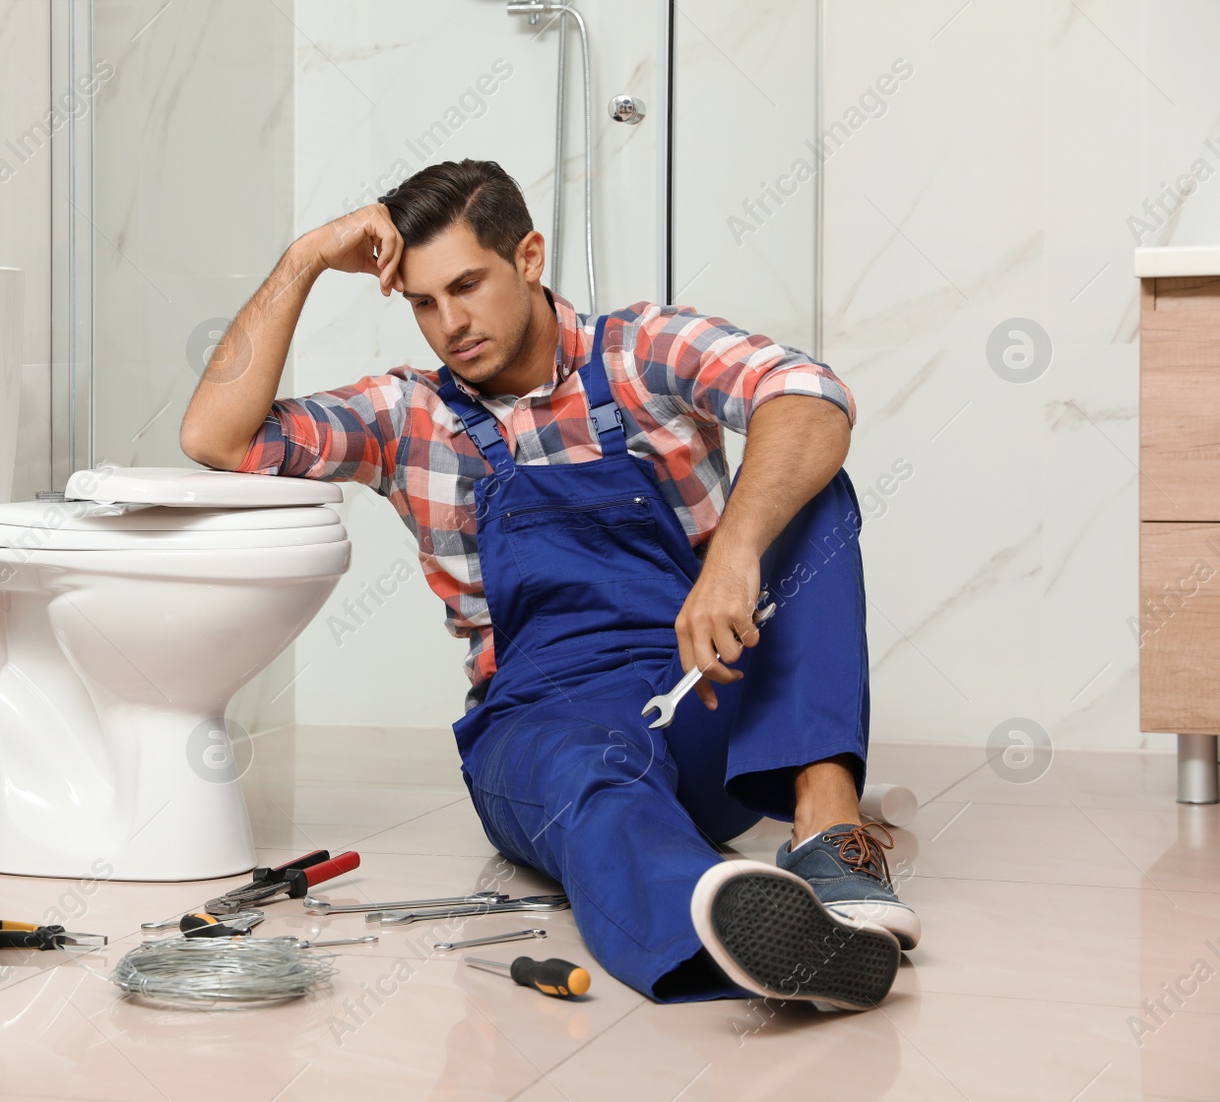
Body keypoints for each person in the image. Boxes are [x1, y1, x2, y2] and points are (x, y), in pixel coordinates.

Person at [180, 159, 918, 1009]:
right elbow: (217, 436)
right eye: (424, 302)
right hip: (545, 721)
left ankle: (829, 829)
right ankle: (750, 937)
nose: (451, 324)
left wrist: (732, 554)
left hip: (704, 687)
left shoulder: (642, 351)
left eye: (467, 285)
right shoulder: (405, 415)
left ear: (528, 258)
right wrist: (307, 255)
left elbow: (811, 394)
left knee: (814, 488)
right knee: (588, 777)